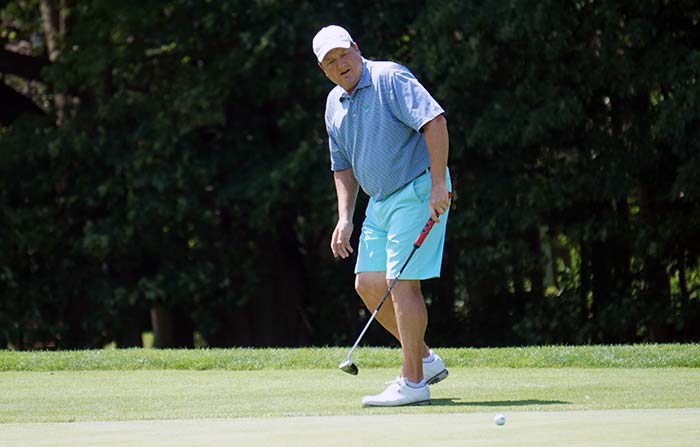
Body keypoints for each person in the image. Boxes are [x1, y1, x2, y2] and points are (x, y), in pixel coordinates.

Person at [313, 25, 452, 407]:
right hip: (380, 200)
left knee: (401, 283)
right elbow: (341, 166)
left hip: (418, 187)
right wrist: (345, 217)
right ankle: (425, 359)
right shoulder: (333, 104)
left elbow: (434, 121)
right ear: (322, 69)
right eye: (330, 61)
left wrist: (439, 185)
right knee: (369, 283)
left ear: (357, 49)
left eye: (344, 54)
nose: (340, 64)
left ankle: (413, 383)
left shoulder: (389, 77)